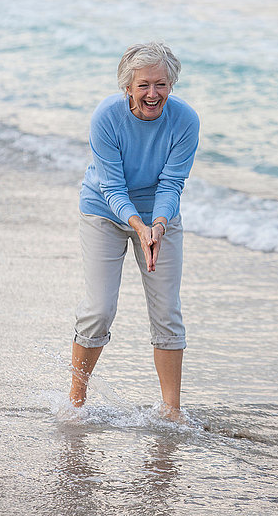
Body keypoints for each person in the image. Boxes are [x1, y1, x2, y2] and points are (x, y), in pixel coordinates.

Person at [69, 42, 199, 420]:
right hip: (104, 212)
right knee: (99, 310)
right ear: (128, 86)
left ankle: (171, 411)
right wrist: (137, 225)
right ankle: (75, 404)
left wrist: (157, 225)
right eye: (143, 85)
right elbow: (111, 187)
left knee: (167, 313)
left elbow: (172, 183)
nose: (152, 94)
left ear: (171, 85)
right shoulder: (107, 116)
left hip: (160, 218)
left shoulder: (185, 120)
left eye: (160, 84)